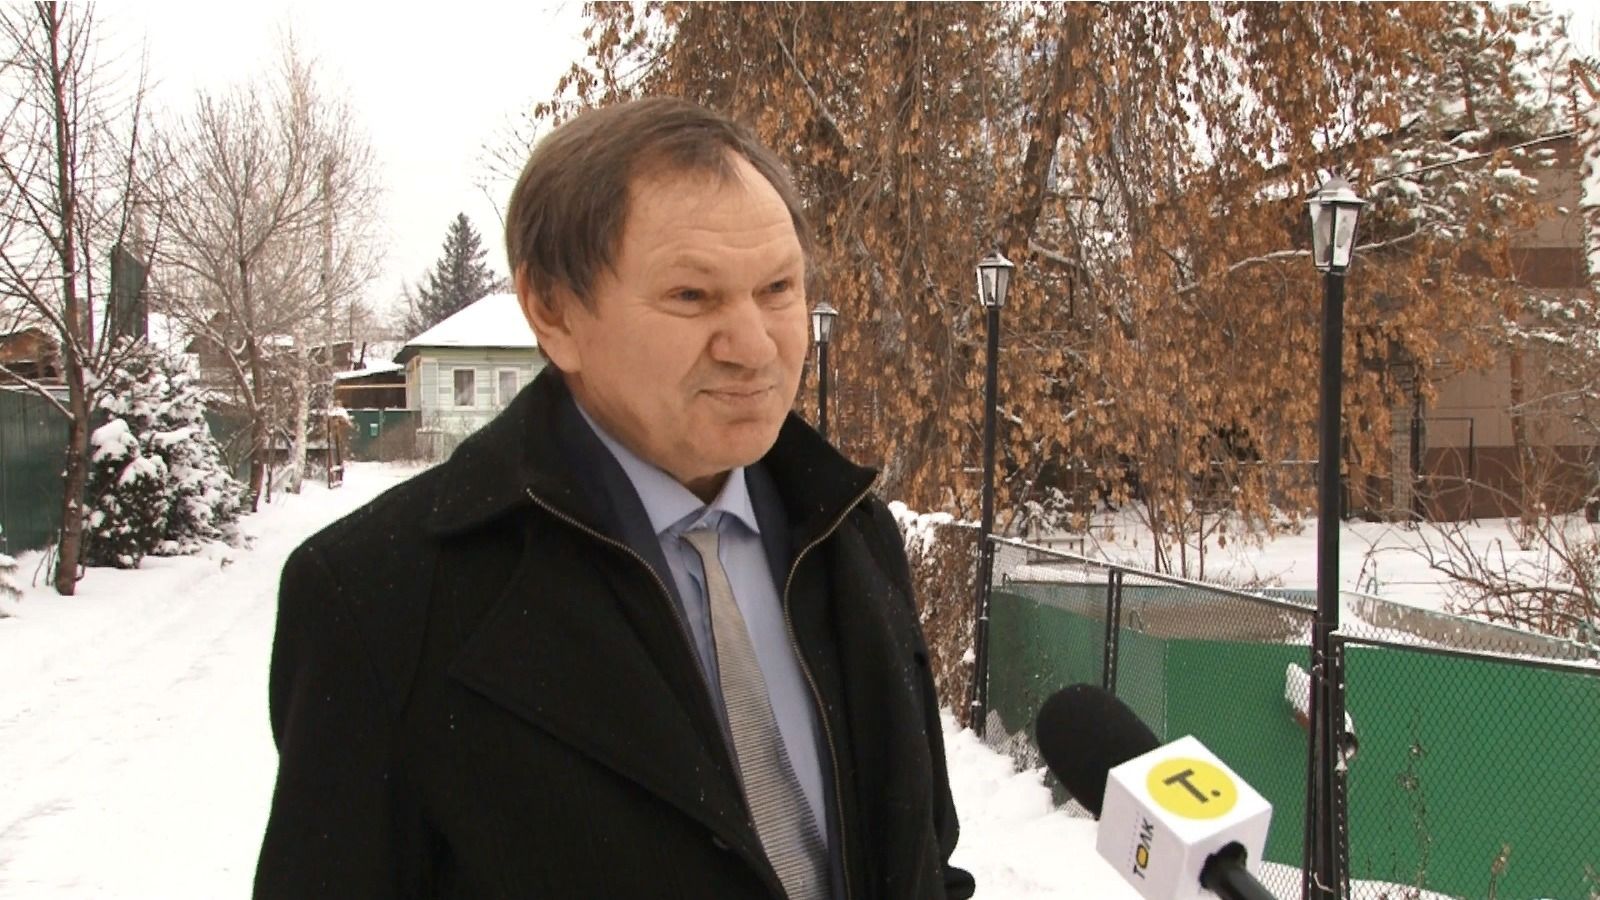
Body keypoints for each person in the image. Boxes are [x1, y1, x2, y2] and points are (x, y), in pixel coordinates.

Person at [254, 96, 975, 899]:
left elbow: (924, 859)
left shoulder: (853, 533)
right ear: (554, 311)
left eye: (777, 288)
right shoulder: (383, 598)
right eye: (692, 296)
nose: (754, 346)